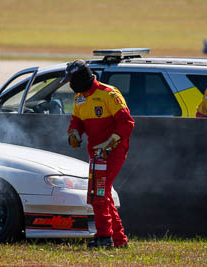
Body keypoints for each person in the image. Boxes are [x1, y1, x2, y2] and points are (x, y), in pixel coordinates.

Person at [63, 59, 134, 249]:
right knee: (102, 193)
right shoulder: (79, 97)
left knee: (99, 192)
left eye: (70, 79)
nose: (69, 84)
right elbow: (76, 121)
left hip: (115, 150)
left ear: (79, 78)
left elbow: (127, 123)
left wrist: (109, 143)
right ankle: (119, 239)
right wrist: (74, 133)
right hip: (95, 153)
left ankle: (104, 237)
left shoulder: (109, 94)